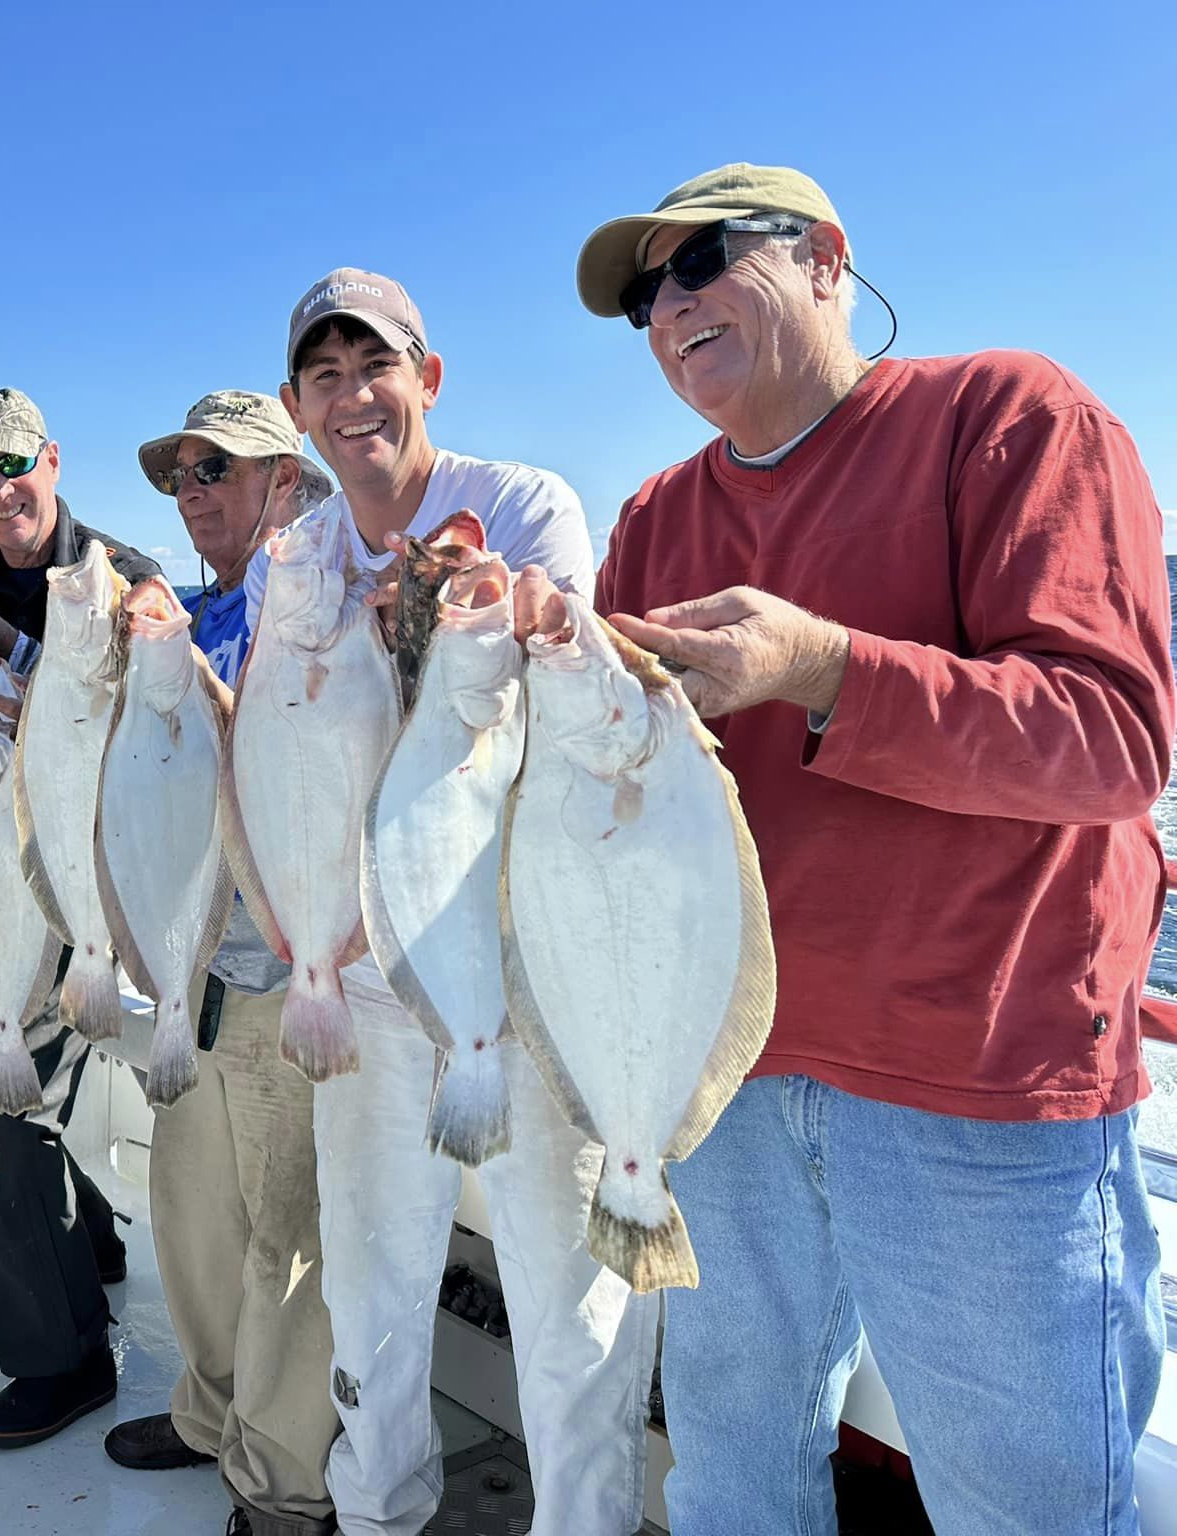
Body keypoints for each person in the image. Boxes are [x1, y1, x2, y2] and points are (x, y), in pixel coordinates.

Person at [537, 163, 1174, 1536]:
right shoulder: (650, 520)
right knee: (727, 1482)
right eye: (644, 296)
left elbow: (1116, 740)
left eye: (701, 260)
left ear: (827, 258)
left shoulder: (1010, 417)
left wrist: (819, 665)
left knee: (1031, 1511)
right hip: (721, 1088)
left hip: (977, 1097)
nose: (669, 306)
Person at [251, 274, 661, 1536]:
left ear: (426, 379)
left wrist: (438, 621)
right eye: (321, 375)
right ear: (296, 408)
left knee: (567, 1296)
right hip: (364, 982)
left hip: (525, 968)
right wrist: (281, 901)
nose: (350, 395)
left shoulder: (525, 506)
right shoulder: (299, 556)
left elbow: (555, 708)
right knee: (370, 1279)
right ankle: (376, 1513)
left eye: (373, 365)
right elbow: (272, 751)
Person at [103, 391, 339, 1536]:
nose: (194, 493)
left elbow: (296, 761)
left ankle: (284, 1484)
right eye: (181, 477)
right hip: (187, 978)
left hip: (282, 979)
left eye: (219, 471)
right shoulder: (196, 611)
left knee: (283, 1247)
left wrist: (188, 676)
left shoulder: (313, 607)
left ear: (284, 481)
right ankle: (209, 1417)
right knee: (192, 1224)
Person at [0, 387, 155, 1449]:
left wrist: (8, 646)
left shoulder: (122, 576)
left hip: (110, 882)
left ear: (51, 459)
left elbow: (135, 716)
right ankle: (85, 1273)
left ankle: (59, 1361)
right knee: (4, 1076)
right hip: (6, 876)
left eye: (10, 463)